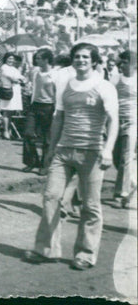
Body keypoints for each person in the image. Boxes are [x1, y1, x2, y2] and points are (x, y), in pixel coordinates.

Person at [24, 43, 119, 270]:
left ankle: (85, 254)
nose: (81, 60)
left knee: (90, 204)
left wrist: (107, 150)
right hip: (64, 150)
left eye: (86, 57)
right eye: (77, 57)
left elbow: (113, 119)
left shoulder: (104, 86)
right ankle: (47, 250)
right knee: (51, 196)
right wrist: (50, 149)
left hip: (92, 152)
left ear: (94, 61)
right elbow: (58, 118)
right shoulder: (65, 84)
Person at [23, 48, 56, 174]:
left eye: (39, 59)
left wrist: (56, 110)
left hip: (48, 107)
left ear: (46, 60)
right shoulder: (35, 72)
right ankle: (32, 161)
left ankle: (45, 165)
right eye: (36, 58)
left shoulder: (55, 74)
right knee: (28, 133)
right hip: (35, 105)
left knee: (47, 139)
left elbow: (57, 92)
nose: (36, 61)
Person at [112, 50, 136, 208]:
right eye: (121, 62)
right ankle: (133, 183)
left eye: (126, 62)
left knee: (126, 157)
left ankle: (122, 192)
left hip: (133, 121)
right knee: (115, 157)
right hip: (115, 120)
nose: (122, 65)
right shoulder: (116, 79)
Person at [0, 52, 26, 140]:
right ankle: (5, 131)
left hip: (15, 91)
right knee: (6, 111)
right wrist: (19, 79)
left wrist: (20, 79)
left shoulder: (14, 68)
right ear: (5, 59)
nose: (11, 60)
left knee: (10, 112)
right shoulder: (4, 67)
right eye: (9, 58)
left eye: (12, 59)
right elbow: (12, 78)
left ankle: (8, 131)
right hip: (7, 91)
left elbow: (21, 78)